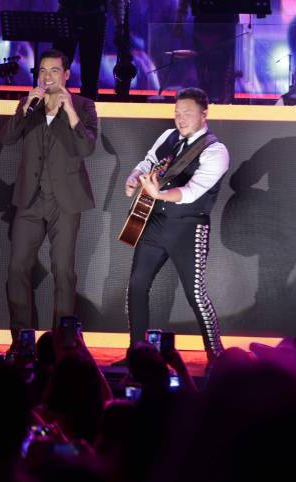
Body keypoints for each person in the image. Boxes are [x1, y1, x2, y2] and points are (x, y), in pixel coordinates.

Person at [123, 87, 228, 364]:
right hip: (155, 221)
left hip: (188, 227)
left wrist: (159, 194)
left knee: (196, 294)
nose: (180, 119)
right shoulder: (168, 136)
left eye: (188, 113)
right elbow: (148, 161)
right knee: (136, 284)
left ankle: (217, 357)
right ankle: (136, 354)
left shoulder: (216, 151)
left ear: (205, 114)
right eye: (177, 113)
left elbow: (193, 192)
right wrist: (135, 176)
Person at [0, 49, 98, 341]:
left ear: (66, 75)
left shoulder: (84, 106)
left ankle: (63, 340)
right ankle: (21, 339)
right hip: (30, 199)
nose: (47, 76)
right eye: (42, 71)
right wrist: (26, 106)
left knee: (63, 270)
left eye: (54, 70)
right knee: (17, 267)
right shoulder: (29, 104)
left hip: (65, 200)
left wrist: (69, 112)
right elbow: (6, 138)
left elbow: (87, 148)